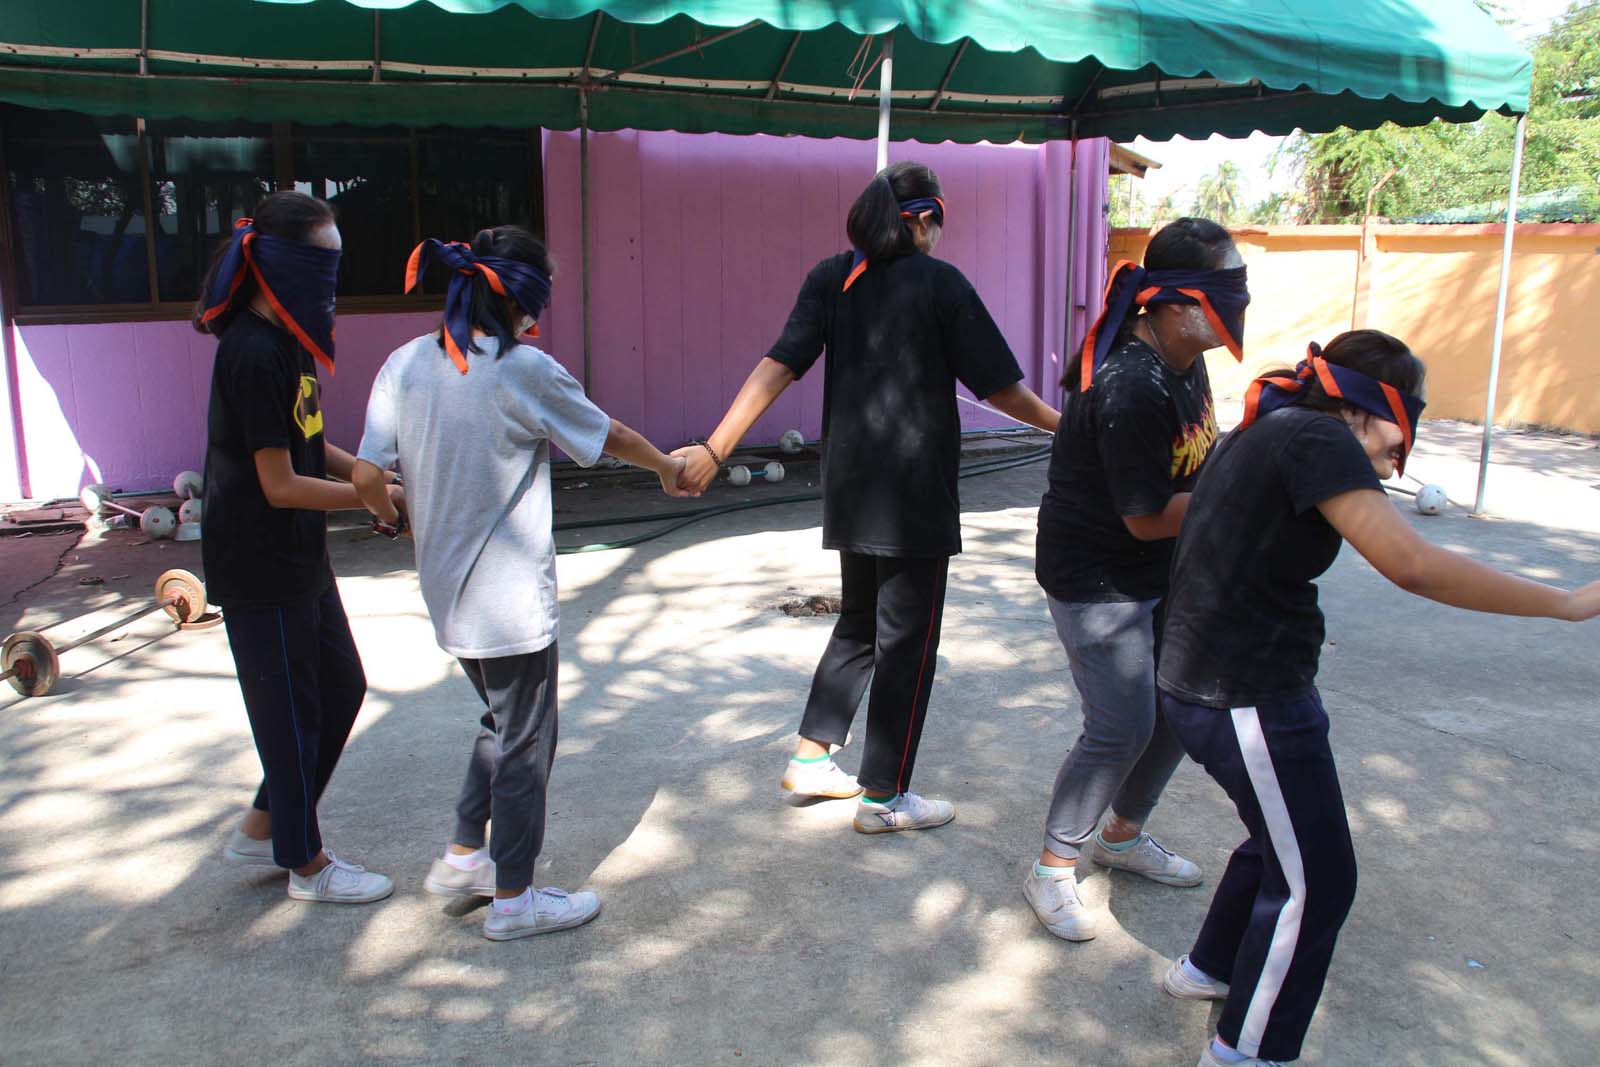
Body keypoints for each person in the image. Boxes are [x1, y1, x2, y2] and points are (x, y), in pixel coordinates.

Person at [1154, 330, 1600, 1066]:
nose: (1404, 453)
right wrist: (1568, 603)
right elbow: (1412, 564)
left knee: (1281, 841)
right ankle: (1244, 1053)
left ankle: (1210, 968)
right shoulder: (1316, 436)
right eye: (1406, 423)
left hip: (1214, 682)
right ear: (1365, 404)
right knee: (1320, 882)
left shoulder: (1272, 426)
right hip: (1245, 694)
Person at [674, 162, 1060, 834]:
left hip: (851, 487)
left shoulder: (833, 276)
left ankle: (811, 757)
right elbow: (1000, 388)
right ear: (926, 219)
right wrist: (1067, 427)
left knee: (859, 622)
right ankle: (885, 796)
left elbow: (778, 365)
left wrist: (716, 447)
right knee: (908, 640)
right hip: (915, 496)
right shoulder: (941, 283)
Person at [352, 226, 688, 941]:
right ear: (524, 300)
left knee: (502, 723)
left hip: (446, 593)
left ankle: (465, 855)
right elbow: (607, 433)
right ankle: (513, 898)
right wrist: (666, 466)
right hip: (508, 603)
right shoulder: (522, 368)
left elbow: (364, 474)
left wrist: (393, 516)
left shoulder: (403, 365)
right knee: (527, 741)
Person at [1024, 218, 1248, 942]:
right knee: (1121, 725)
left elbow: (1199, 462)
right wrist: (1245, 500)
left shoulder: (1185, 359)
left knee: (1180, 703)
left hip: (1162, 566)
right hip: (1097, 575)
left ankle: (1120, 835)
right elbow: (1147, 518)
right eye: (1226, 289)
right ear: (1178, 303)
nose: (1241, 301)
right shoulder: (1130, 385)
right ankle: (1053, 868)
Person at [197, 191, 400, 905]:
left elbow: (309, 444)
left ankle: (263, 826)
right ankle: (305, 865)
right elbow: (280, 484)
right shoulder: (252, 353)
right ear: (279, 266)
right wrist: (373, 498)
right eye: (322, 264)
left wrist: (374, 473)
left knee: (341, 688)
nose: (331, 282)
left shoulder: (289, 342)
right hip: (258, 565)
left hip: (299, 556)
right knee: (290, 718)